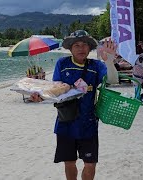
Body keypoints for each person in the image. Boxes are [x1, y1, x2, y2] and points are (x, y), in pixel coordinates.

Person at [31, 30, 119, 180]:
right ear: (70, 48)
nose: (81, 48)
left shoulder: (96, 65)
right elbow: (56, 90)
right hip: (66, 122)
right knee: (69, 162)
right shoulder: (62, 64)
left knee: (90, 164)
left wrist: (109, 62)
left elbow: (113, 80)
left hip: (88, 123)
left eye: (84, 45)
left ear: (89, 48)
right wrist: (42, 96)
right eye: (76, 45)